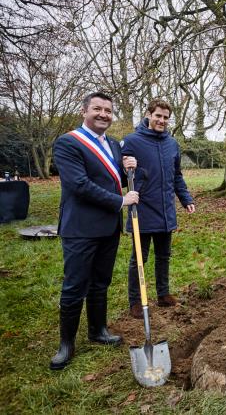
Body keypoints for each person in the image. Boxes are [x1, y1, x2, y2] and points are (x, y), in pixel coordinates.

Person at [51, 92, 138, 370]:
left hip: (107, 227)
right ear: (84, 110)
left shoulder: (112, 144)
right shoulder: (68, 143)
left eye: (108, 111)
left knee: (101, 282)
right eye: (97, 109)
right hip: (81, 227)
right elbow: (79, 184)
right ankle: (66, 344)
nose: (103, 114)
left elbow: (112, 178)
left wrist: (127, 171)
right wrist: (120, 201)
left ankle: (97, 330)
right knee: (76, 284)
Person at [122, 99, 195, 319]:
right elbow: (117, 171)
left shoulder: (172, 144)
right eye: (158, 116)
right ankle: (136, 301)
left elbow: (177, 175)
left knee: (164, 256)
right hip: (142, 210)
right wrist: (125, 166)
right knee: (139, 258)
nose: (161, 120)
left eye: (165, 117)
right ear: (148, 115)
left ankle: (163, 294)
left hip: (165, 210)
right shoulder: (132, 141)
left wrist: (185, 198)